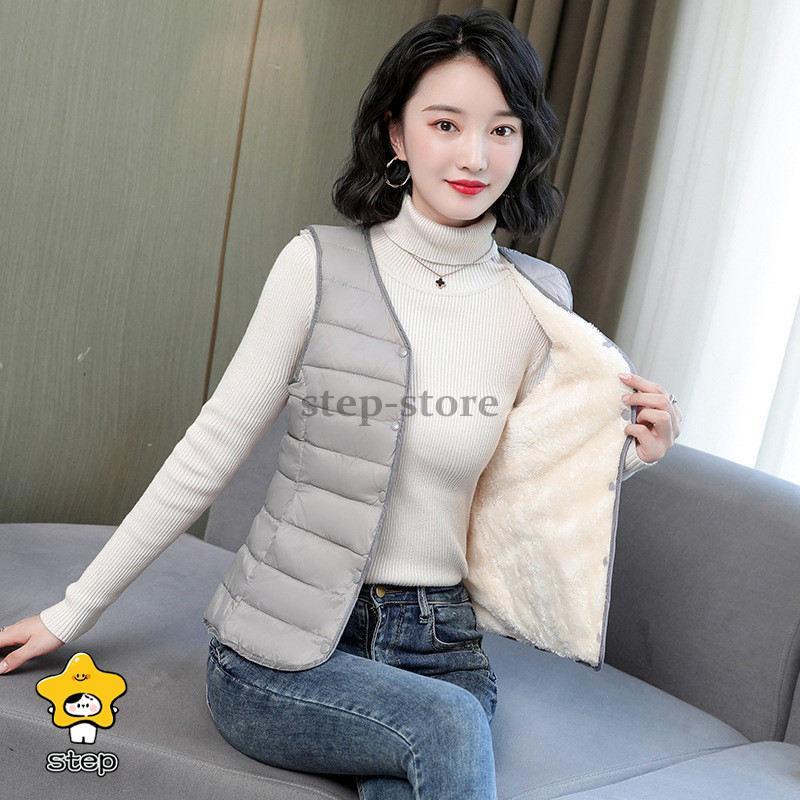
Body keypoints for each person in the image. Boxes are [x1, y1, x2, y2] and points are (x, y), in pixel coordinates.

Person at [0, 8, 680, 799]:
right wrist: (71, 612)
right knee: (447, 729)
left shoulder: (539, 302)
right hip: (281, 648)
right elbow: (211, 448)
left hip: (441, 648)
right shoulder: (318, 265)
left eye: (502, 130)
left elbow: (527, 486)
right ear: (397, 134)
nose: (474, 155)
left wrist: (630, 454)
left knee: (424, 752)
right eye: (446, 124)